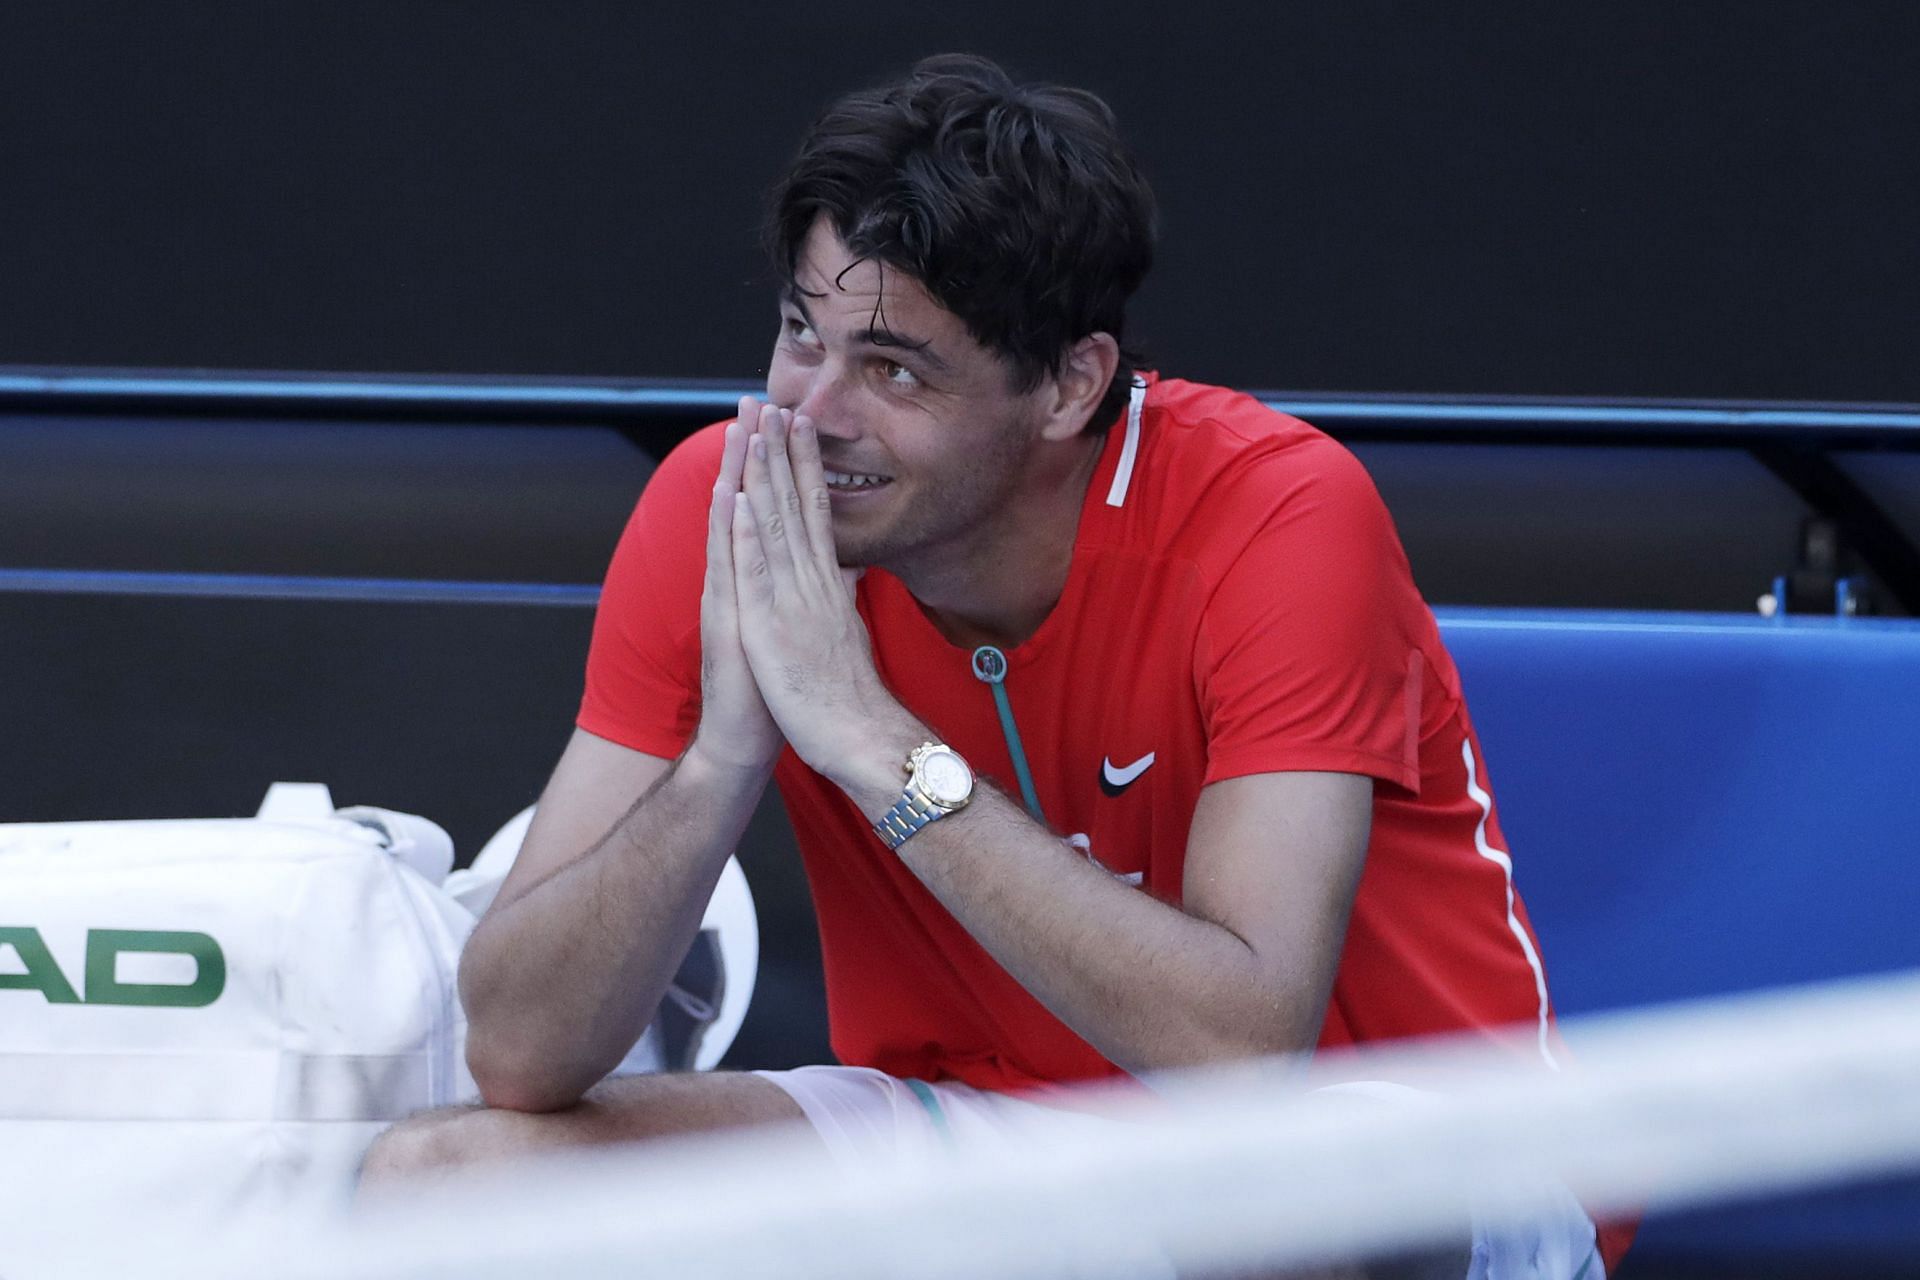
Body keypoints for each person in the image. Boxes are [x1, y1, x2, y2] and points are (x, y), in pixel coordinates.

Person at [362, 53, 1628, 1276]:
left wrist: (871, 740)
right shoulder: (733, 504)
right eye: (802, 335)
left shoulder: (1282, 513)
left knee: (1267, 1211)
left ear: (1071, 383)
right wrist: (722, 758)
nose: (813, 413)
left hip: (1410, 1160)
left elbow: (1243, 1052)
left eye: (893, 369)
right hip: (983, 1135)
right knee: (445, 1181)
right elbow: (520, 1052)